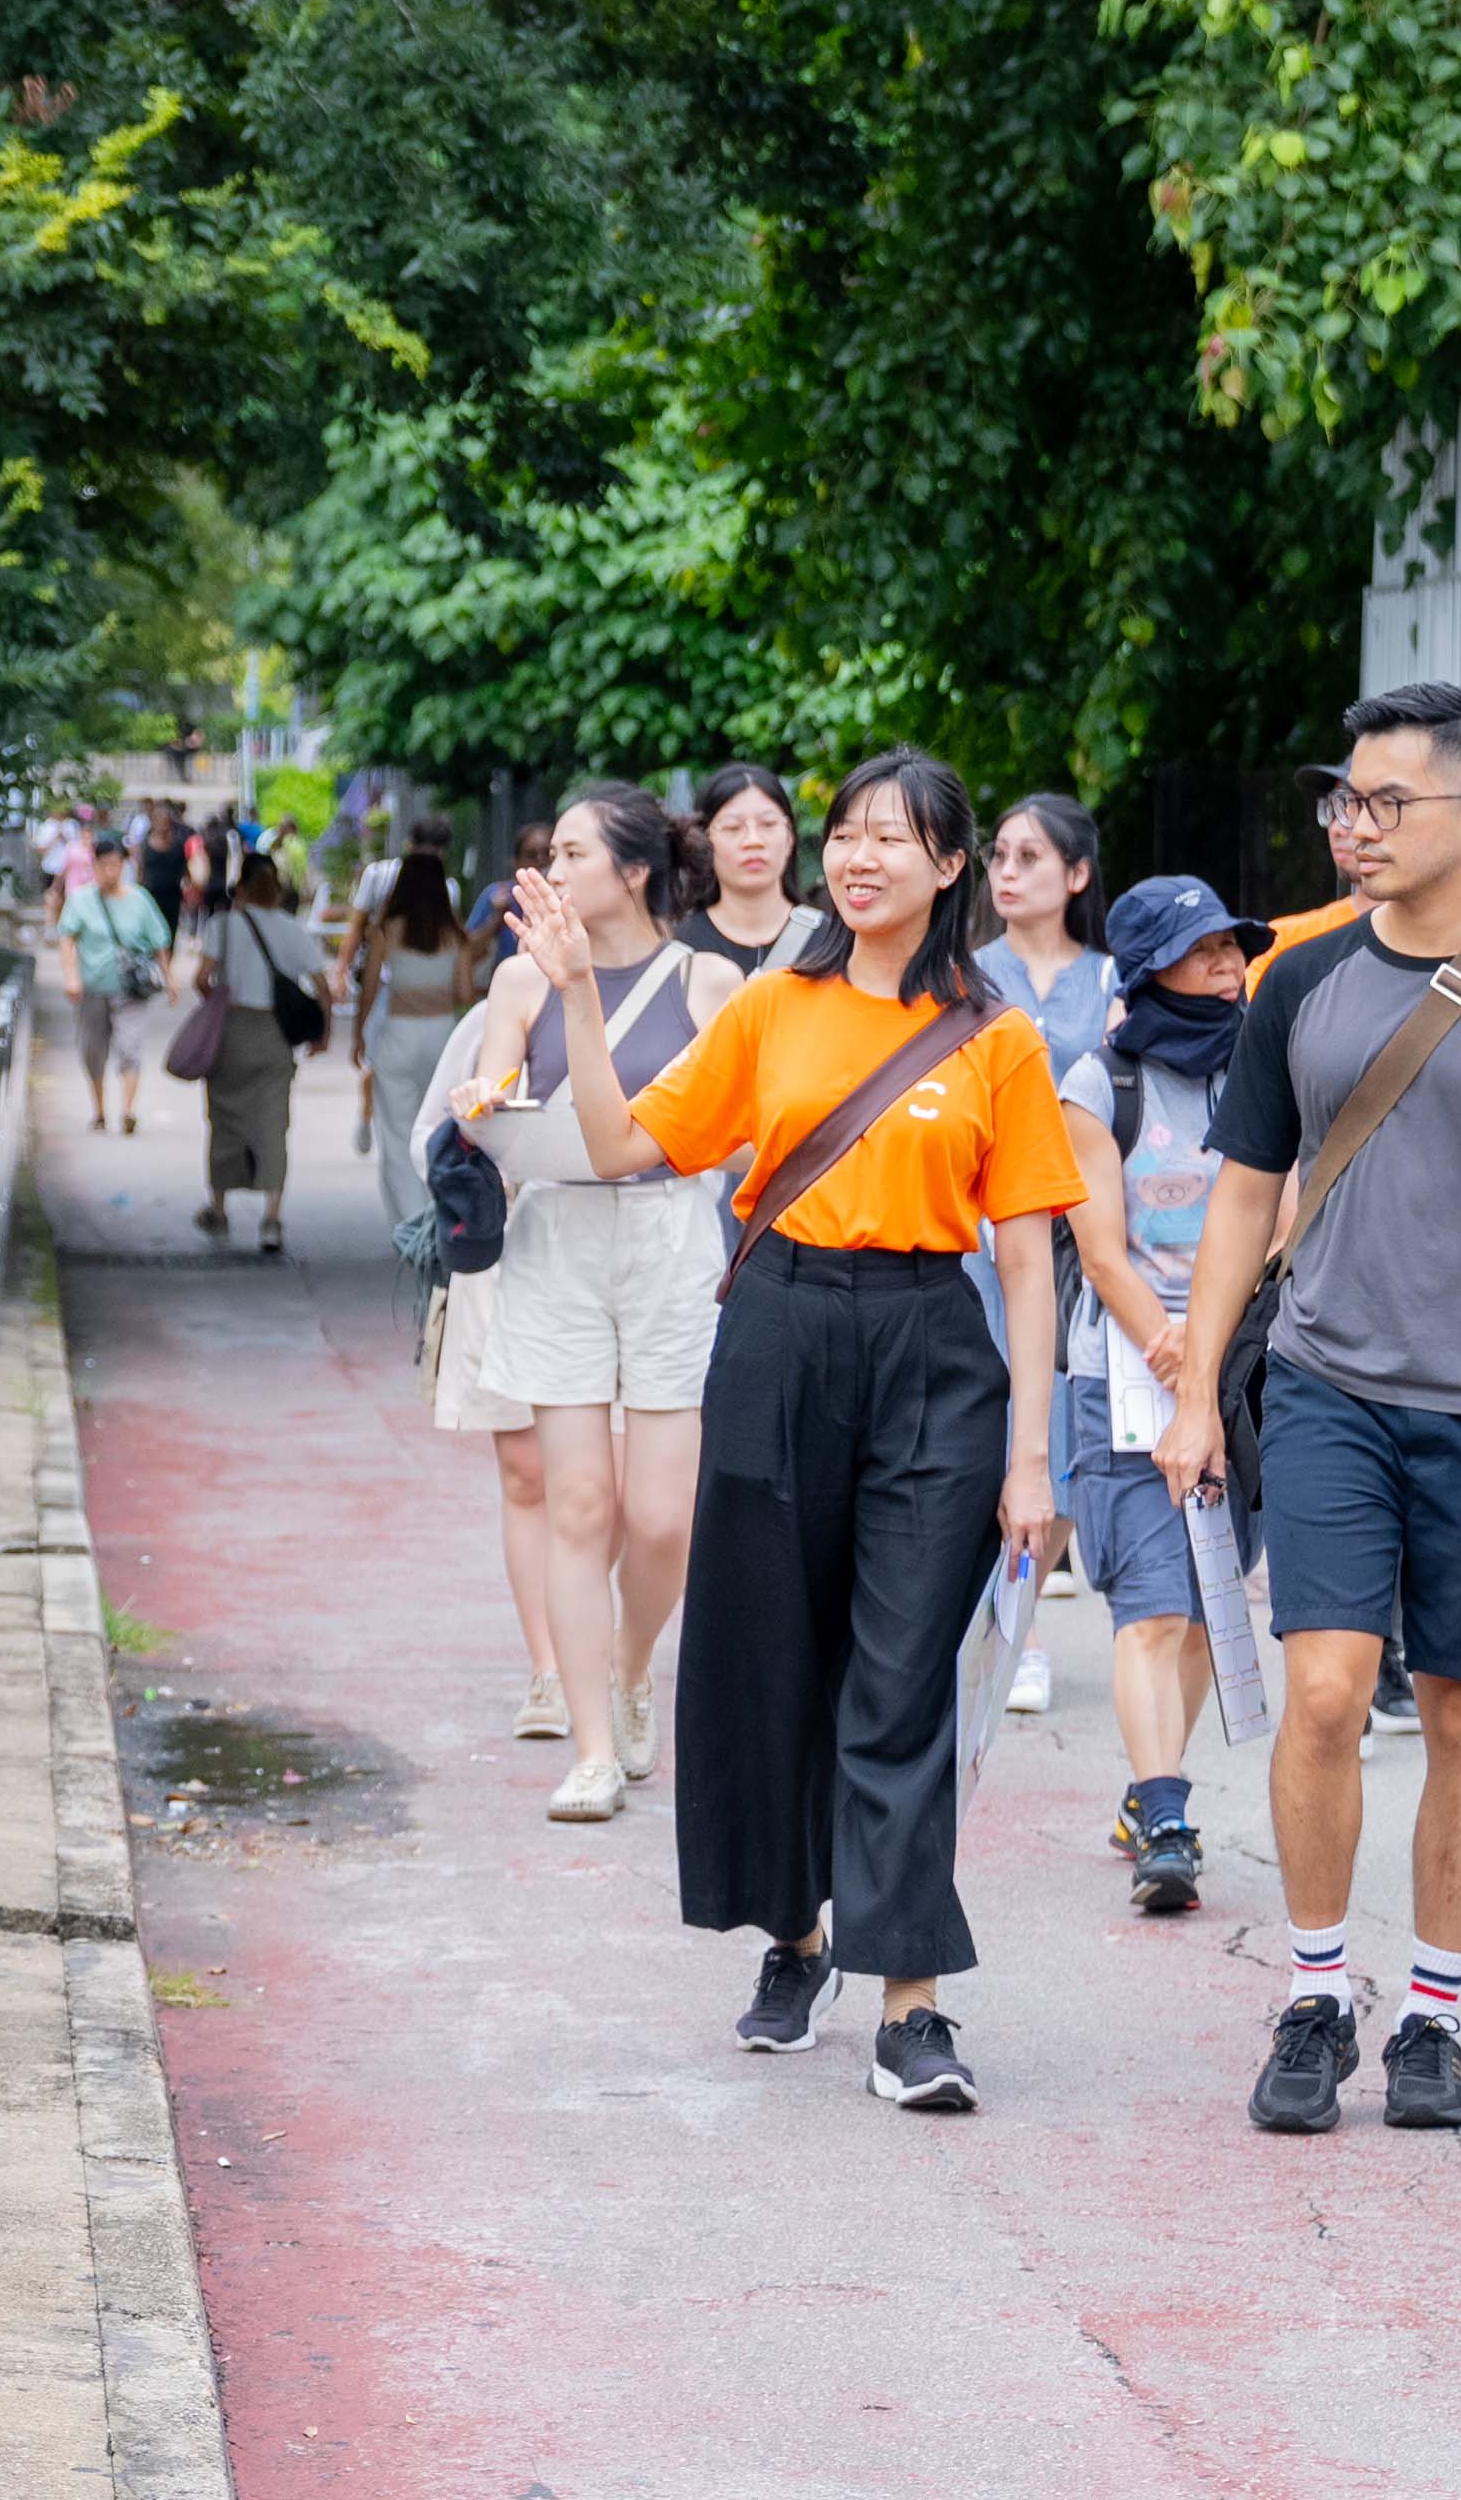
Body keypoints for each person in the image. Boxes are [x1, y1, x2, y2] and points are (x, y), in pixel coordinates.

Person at [519, 750, 1076, 2111]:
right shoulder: (773, 1005)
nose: (860, 857)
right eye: (847, 834)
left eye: (894, 837)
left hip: (933, 1353)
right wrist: (579, 999)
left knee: (900, 1678)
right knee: (772, 1656)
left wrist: (1033, 1459)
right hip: (777, 1331)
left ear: (951, 866)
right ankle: (797, 1936)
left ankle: (911, 2006)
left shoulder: (996, 1036)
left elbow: (1024, 1261)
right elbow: (623, 1146)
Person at [1154, 685, 1461, 2135]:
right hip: (1329, 1385)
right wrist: (1197, 1393)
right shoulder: (1302, 984)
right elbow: (1243, 1194)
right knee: (1323, 1693)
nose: (1352, 827)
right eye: (1345, 801)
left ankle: (1433, 2016)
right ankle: (1316, 1995)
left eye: (1385, 803)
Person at [449, 786, 746, 1821]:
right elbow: (491, 1100)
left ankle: (630, 1665)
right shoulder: (519, 978)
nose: (553, 869)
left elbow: (738, 1125)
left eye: (574, 853)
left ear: (634, 870)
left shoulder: (709, 980)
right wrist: (482, 1104)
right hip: (556, 1236)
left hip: (671, 1234)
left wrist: (585, 993)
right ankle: (590, 1747)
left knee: (662, 1516)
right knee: (578, 1503)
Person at [1047, 874, 1262, 1915]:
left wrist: (1217, 1353)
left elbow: (1281, 1212)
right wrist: (1177, 1352)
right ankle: (1167, 1814)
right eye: (1204, 949)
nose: (1228, 966)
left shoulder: (1264, 1066)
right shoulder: (1101, 1084)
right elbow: (1100, 1249)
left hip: (1238, 1365)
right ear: (1148, 971)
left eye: (1232, 947)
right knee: (1154, 1603)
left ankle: (1148, 1787)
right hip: (1129, 1370)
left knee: (1207, 1610)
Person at [181, 839, 328, 1252]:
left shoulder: (223, 927)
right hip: (275, 1035)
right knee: (272, 1124)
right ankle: (272, 1219)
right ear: (277, 887)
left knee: (224, 1120)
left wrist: (217, 1002)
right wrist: (323, 1035)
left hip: (232, 1031)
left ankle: (219, 1209)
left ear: (241, 888)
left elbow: (201, 978)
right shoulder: (294, 930)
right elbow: (323, 988)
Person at [351, 837, 480, 1231]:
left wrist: (358, 1034)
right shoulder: (456, 934)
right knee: (441, 1130)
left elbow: (369, 988)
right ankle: (440, 1217)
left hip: (399, 1035)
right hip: (443, 1038)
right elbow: (464, 994)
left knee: (397, 1134)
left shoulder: (386, 930)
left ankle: (410, 1222)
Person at [978, 792, 1118, 1074]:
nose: (1007, 871)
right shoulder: (965, 975)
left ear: (1078, 874)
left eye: (1028, 857)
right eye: (999, 855)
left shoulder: (1110, 979)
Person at [65, 835, 168, 1136]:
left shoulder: (139, 899)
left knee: (130, 1046)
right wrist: (71, 976)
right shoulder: (81, 900)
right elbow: (67, 939)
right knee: (92, 1050)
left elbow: (159, 940)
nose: (110, 871)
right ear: (95, 865)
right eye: (104, 865)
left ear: (124, 865)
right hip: (93, 986)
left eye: (115, 864)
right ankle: (99, 1110)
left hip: (130, 988)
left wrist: (169, 978)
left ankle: (128, 1110)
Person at [684, 762, 807, 975]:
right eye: (732, 827)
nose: (753, 841)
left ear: (790, 837)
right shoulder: (679, 948)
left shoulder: (832, 941)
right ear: (703, 842)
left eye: (768, 824)